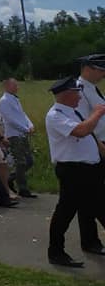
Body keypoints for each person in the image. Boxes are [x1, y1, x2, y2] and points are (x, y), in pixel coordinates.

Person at [44, 77, 105, 267]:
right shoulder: (55, 115)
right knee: (65, 212)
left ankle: (90, 242)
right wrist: (97, 113)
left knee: (95, 206)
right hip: (73, 170)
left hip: (89, 168)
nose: (79, 97)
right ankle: (56, 252)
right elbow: (81, 131)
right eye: (77, 93)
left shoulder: (74, 112)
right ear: (67, 94)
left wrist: (101, 149)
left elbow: (90, 134)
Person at [76, 54, 105, 254]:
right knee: (91, 195)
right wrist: (98, 144)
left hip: (101, 143)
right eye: (100, 70)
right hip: (95, 146)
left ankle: (90, 240)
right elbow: (82, 122)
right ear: (87, 68)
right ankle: (90, 241)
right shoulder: (79, 90)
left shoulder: (92, 88)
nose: (103, 74)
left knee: (93, 194)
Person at [0, 78, 36, 198]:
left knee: (29, 161)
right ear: (7, 86)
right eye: (14, 85)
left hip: (22, 134)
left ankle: (10, 178)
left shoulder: (15, 99)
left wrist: (30, 125)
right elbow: (10, 119)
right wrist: (25, 128)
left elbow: (22, 114)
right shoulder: (4, 101)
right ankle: (23, 188)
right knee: (21, 161)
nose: (17, 87)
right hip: (14, 134)